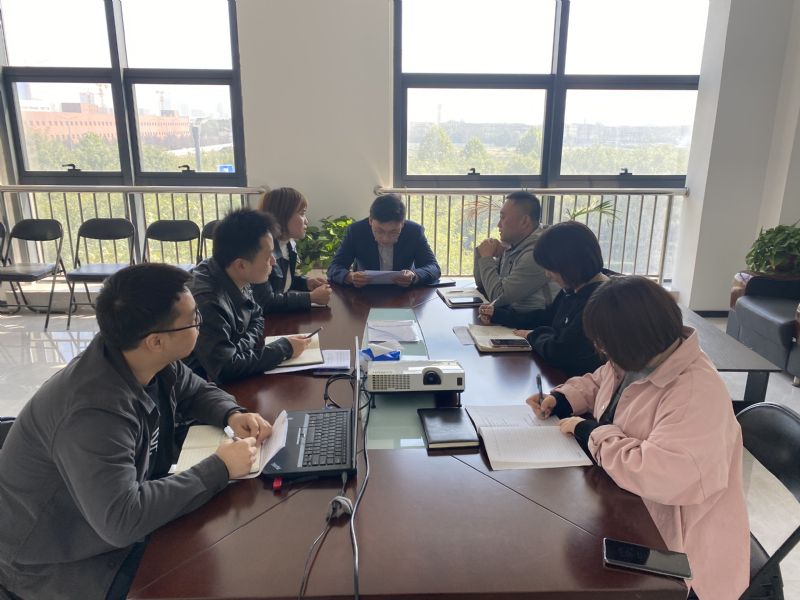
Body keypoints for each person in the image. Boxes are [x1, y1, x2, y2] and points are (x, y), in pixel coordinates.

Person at [0, 263, 271, 600]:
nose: (200, 324)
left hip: (102, 527)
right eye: (193, 319)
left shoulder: (138, 356)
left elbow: (195, 390)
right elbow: (122, 520)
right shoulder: (93, 412)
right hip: (57, 565)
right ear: (156, 341)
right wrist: (220, 467)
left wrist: (231, 413)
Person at [527, 276, 749, 600]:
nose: (602, 351)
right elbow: (599, 381)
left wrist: (590, 432)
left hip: (678, 552)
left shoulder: (694, 392)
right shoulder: (640, 358)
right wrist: (561, 398)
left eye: (605, 344)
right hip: (629, 505)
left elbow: (659, 475)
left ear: (633, 340)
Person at [185, 208, 310, 384]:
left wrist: (237, 349)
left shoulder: (233, 272)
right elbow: (225, 369)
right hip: (199, 388)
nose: (273, 262)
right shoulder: (206, 300)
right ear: (241, 265)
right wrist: (284, 348)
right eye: (268, 256)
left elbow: (257, 317)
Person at [479, 221, 608, 377]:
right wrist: (498, 315)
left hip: (580, 383)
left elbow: (560, 352)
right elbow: (547, 318)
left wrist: (532, 335)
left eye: (550, 268)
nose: (548, 274)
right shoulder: (574, 288)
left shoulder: (601, 301)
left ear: (569, 264)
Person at [327, 193, 441, 287]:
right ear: (370, 221)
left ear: (402, 224)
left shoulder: (414, 232)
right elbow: (334, 267)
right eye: (379, 231)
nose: (386, 239)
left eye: (393, 232)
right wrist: (350, 276)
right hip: (364, 293)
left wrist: (414, 276)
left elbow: (433, 267)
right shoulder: (356, 231)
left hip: (405, 293)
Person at [474, 191, 559, 312]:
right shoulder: (513, 244)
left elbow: (498, 297)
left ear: (524, 221)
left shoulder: (537, 253)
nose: (499, 224)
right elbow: (482, 284)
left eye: (503, 218)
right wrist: (481, 253)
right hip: (510, 316)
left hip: (533, 321)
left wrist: (486, 257)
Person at [253, 187, 331, 313]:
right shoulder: (261, 251)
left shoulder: (288, 244)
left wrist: (306, 283)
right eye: (302, 213)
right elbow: (266, 302)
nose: (306, 221)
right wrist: (310, 298)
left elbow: (281, 283)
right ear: (282, 215)